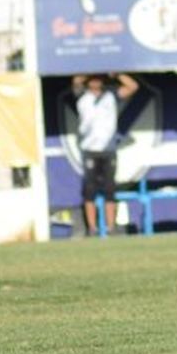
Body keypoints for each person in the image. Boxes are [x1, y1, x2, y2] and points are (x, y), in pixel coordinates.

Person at [73, 72, 139, 237]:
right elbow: (75, 80)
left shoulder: (111, 96)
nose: (96, 81)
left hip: (108, 149)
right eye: (92, 78)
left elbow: (133, 87)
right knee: (89, 191)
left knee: (110, 190)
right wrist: (90, 69)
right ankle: (92, 228)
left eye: (98, 78)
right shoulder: (82, 95)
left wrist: (117, 74)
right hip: (90, 149)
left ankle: (111, 228)